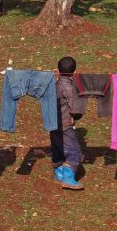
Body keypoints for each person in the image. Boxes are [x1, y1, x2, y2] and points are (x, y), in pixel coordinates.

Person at [51, 56, 84, 190]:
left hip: (53, 123)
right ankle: (69, 179)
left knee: (57, 149)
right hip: (65, 125)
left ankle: (59, 174)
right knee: (74, 152)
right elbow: (75, 109)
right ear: (74, 72)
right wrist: (79, 113)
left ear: (58, 71)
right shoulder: (69, 88)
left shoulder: (54, 85)